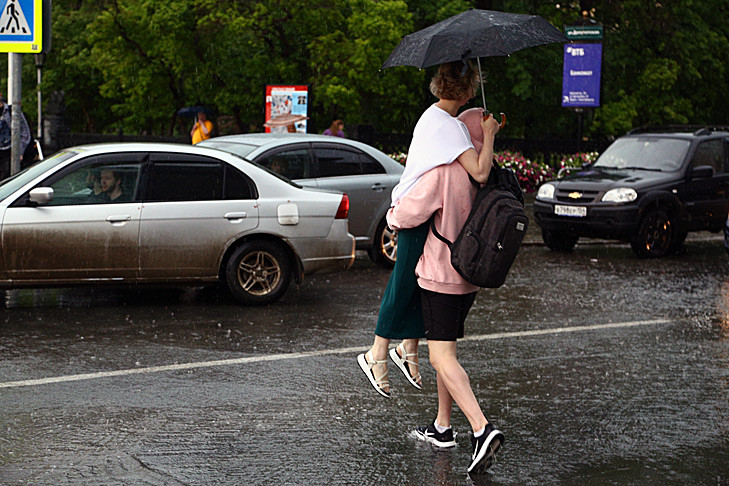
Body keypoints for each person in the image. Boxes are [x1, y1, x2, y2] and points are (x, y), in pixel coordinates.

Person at [357, 61, 499, 399]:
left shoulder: (435, 117)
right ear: (467, 92)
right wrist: (490, 135)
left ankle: (408, 350)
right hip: (415, 211)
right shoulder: (448, 127)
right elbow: (480, 173)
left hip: (422, 209)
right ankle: (375, 354)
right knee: (404, 282)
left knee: (418, 284)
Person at [386, 106, 505, 474]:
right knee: (446, 350)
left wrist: (392, 215)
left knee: (441, 358)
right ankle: (442, 427)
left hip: (441, 276)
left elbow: (407, 215)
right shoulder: (487, 175)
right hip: (470, 277)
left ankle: (482, 429)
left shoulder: (445, 172)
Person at [0, 93, 31, 180]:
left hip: (10, 152)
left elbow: (25, 132)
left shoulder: (12, 111)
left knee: (8, 179)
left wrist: (20, 151)